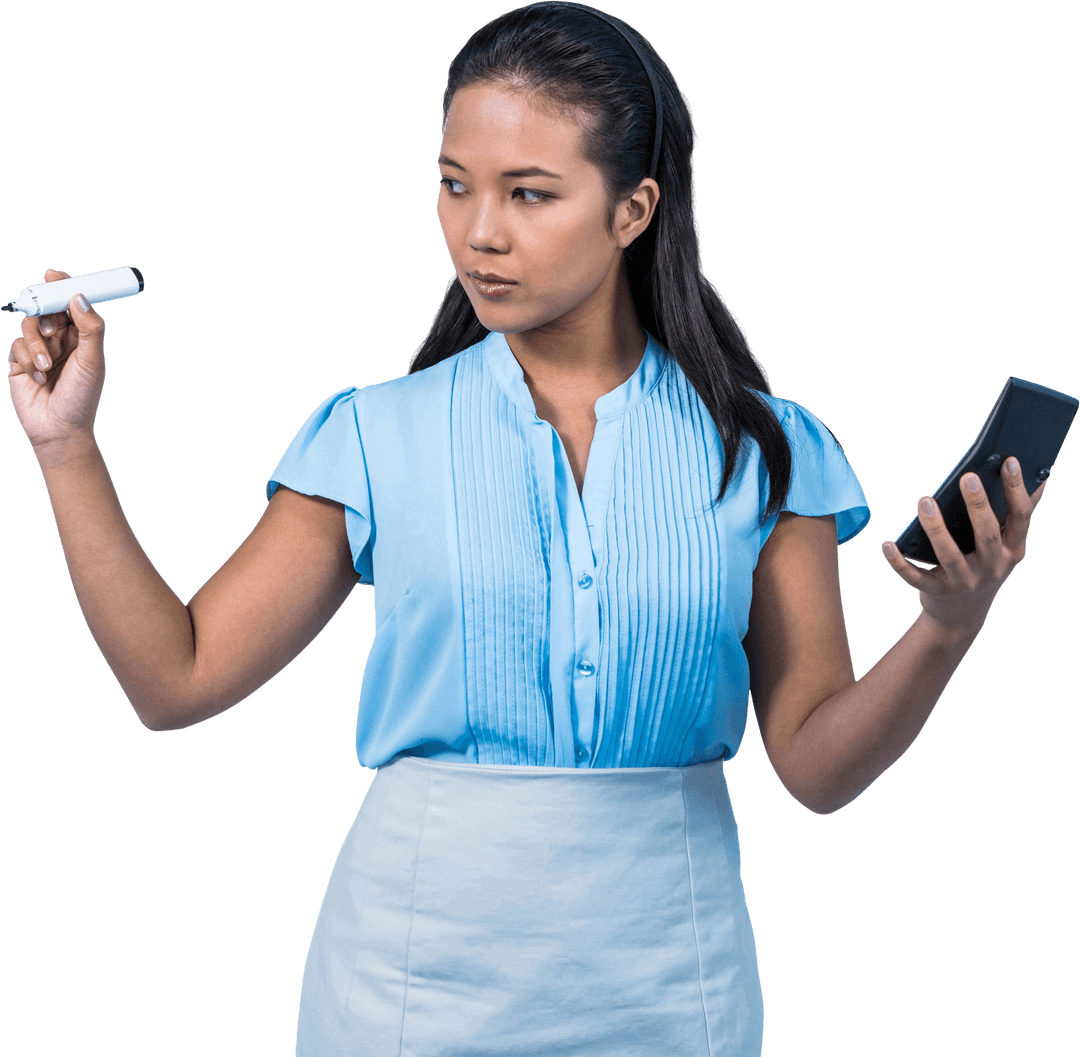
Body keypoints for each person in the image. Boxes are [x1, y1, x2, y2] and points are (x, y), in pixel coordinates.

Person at [5, 3, 1047, 1055]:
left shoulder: (767, 452)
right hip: (409, 981)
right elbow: (173, 681)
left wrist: (946, 628)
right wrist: (67, 446)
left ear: (633, 208)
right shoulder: (377, 433)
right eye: (454, 184)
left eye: (529, 194)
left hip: (669, 986)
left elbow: (818, 768)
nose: (480, 232)